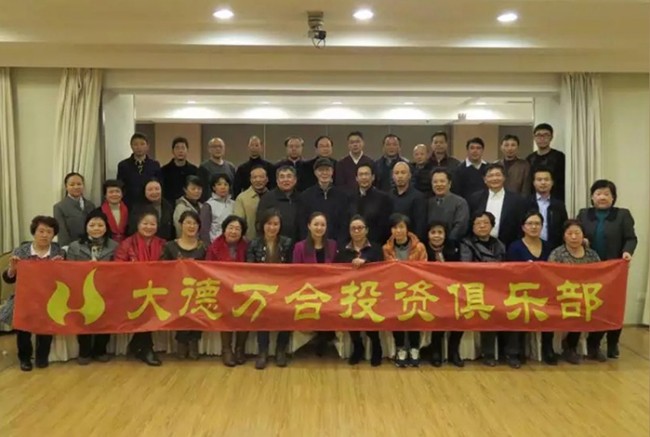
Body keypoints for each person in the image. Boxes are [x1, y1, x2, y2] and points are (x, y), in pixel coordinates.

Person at [577, 180, 637, 359]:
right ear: (592, 197)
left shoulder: (622, 215)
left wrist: (627, 252)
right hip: (591, 269)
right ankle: (594, 344)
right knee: (594, 305)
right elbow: (575, 233)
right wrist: (582, 240)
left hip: (614, 270)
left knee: (613, 306)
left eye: (606, 194)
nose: (602, 197)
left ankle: (613, 342)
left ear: (613, 197)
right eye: (598, 194)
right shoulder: (584, 214)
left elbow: (631, 238)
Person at [2, 216, 65, 371]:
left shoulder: (59, 252)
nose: (44, 235)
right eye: (41, 231)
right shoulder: (21, 251)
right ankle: (24, 358)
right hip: (26, 296)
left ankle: (42, 356)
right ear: (34, 232)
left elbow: (65, 279)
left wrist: (60, 268)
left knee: (46, 326)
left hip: (49, 296)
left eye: (49, 232)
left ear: (54, 234)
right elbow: (9, 279)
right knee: (23, 327)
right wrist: (12, 269)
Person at [459, 211, 518, 368]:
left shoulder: (499, 244)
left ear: (492, 226)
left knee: (513, 311)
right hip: (477, 288)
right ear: (472, 227)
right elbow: (466, 268)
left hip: (500, 287)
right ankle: (489, 353)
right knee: (489, 311)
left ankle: (511, 353)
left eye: (486, 223)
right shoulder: (466, 243)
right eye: (478, 223)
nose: (482, 226)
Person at [114, 207, 166, 366]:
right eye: (145, 223)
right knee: (144, 307)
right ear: (137, 224)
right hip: (132, 289)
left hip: (158, 288)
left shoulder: (163, 244)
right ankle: (147, 348)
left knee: (152, 305)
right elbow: (118, 267)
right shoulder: (127, 244)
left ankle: (138, 344)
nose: (149, 227)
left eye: (152, 224)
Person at [66, 209, 118, 365]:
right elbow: (68, 269)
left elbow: (119, 268)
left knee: (105, 319)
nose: (96, 228)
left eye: (100, 225)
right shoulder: (75, 246)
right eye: (92, 225)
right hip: (82, 289)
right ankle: (84, 351)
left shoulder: (115, 246)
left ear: (106, 227)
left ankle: (100, 350)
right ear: (86, 227)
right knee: (84, 319)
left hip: (107, 289)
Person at [548, 220, 602, 364]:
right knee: (578, 309)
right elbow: (550, 277)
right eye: (570, 233)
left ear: (583, 235)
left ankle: (594, 345)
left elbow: (601, 275)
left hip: (588, 294)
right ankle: (570, 346)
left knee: (604, 309)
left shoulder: (592, 255)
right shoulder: (557, 254)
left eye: (577, 233)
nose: (573, 237)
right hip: (564, 296)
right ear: (564, 236)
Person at [506, 211, 556, 365]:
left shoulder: (548, 246)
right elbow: (509, 272)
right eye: (530, 224)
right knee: (518, 312)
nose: (534, 227)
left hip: (544, 291)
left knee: (551, 310)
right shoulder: (515, 247)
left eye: (537, 224)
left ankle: (548, 349)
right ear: (523, 227)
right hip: (521, 292)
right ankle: (515, 352)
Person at [246, 208, 293, 369]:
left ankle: (281, 350)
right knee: (262, 314)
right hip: (261, 287)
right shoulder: (254, 243)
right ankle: (263, 351)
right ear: (262, 225)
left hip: (284, 287)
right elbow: (249, 268)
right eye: (269, 224)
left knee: (287, 315)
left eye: (275, 224)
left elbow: (293, 268)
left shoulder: (287, 243)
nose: (272, 227)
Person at [335, 215, 384, 366]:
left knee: (370, 318)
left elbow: (382, 268)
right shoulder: (343, 249)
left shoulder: (376, 248)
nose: (356, 231)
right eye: (353, 228)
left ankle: (377, 347)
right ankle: (358, 347)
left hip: (371, 291)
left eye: (360, 228)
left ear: (366, 230)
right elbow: (336, 269)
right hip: (351, 291)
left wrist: (366, 262)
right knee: (351, 317)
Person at [160, 210, 207, 360]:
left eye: (195, 223)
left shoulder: (204, 247)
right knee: (180, 312)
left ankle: (193, 343)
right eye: (188, 223)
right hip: (176, 289)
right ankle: (181, 343)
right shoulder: (170, 246)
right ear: (181, 225)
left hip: (198, 289)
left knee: (197, 313)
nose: (191, 226)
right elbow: (162, 268)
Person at [382, 213, 427, 367]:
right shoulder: (386, 248)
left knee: (414, 317)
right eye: (395, 228)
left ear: (407, 229)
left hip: (415, 288)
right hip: (395, 289)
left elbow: (425, 267)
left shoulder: (419, 247)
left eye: (401, 227)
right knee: (397, 318)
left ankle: (414, 349)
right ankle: (400, 348)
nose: (398, 231)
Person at [292, 212, 338, 355]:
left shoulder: (332, 245)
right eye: (316, 224)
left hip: (329, 289)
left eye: (322, 225)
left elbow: (338, 270)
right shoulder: (299, 247)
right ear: (309, 226)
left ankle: (324, 337)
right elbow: (295, 272)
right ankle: (322, 336)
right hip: (307, 290)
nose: (319, 228)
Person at [206, 215, 249, 366]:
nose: (233, 231)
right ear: (224, 230)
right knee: (226, 314)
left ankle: (240, 348)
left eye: (238, 229)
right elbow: (208, 269)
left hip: (243, 288)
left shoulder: (247, 246)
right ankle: (226, 350)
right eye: (231, 228)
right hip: (222, 289)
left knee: (246, 313)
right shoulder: (214, 247)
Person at [425, 221, 464, 368]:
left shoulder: (454, 247)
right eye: (433, 232)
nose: (437, 236)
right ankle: (436, 351)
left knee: (459, 315)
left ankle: (454, 351)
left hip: (454, 289)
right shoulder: (423, 249)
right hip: (431, 291)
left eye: (440, 232)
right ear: (428, 235)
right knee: (438, 316)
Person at [467, 163, 526, 249]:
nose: (494, 178)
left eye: (498, 175)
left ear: (504, 177)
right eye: (490, 176)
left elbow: (520, 225)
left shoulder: (516, 200)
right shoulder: (475, 198)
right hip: (479, 247)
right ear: (484, 179)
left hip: (508, 246)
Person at [298, 158, 350, 243]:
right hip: (312, 244)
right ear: (315, 173)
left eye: (327, 170)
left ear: (332, 172)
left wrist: (340, 244)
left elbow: (345, 224)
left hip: (336, 245)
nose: (324, 173)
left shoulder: (342, 196)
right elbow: (303, 224)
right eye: (321, 170)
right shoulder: (306, 196)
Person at [350, 164, 394, 245]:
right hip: (353, 246)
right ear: (356, 178)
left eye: (366, 174)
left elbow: (385, 228)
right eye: (361, 174)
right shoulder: (350, 198)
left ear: (373, 177)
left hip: (376, 245)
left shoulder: (383, 198)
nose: (364, 177)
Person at [525, 167, 568, 249]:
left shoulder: (559, 205)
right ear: (534, 183)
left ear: (552, 183)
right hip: (529, 247)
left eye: (546, 179)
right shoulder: (525, 203)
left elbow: (564, 227)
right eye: (539, 180)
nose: (543, 182)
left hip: (554, 248)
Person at [117, 132, 162, 207]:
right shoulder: (123, 165)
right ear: (131, 146)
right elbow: (120, 186)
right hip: (130, 204)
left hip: (150, 204)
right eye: (135, 144)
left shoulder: (154, 165)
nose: (139, 147)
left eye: (142, 144)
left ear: (147, 146)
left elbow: (159, 185)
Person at [256, 166, 300, 241]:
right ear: (277, 181)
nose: (285, 180)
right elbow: (260, 223)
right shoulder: (267, 198)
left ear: (295, 180)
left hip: (297, 243)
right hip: (274, 243)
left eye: (289, 176)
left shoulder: (301, 198)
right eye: (282, 177)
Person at [53, 172, 97, 247]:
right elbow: (62, 232)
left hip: (91, 246)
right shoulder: (59, 207)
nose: (76, 187)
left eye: (79, 184)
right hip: (72, 247)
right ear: (66, 187)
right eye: (72, 184)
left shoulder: (91, 205)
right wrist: (66, 248)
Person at [427, 168, 470, 243]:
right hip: (431, 245)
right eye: (435, 182)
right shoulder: (428, 203)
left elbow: (461, 226)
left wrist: (447, 241)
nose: (439, 184)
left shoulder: (460, 202)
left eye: (442, 181)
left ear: (449, 183)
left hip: (453, 244)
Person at [526, 123, 565, 202]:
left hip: (556, 199)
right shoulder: (529, 159)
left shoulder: (559, 157)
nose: (542, 138)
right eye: (538, 135)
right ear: (534, 138)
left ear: (551, 137)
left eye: (546, 135)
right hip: (534, 200)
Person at [390, 162, 426, 240]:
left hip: (412, 242)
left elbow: (420, 225)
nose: (400, 176)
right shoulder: (388, 196)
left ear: (409, 175)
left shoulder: (418, 197)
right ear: (393, 176)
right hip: (392, 241)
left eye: (403, 172)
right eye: (396, 173)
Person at [234, 166, 269, 241]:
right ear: (250, 180)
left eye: (261, 177)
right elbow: (238, 222)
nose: (258, 180)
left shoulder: (272, 196)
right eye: (254, 177)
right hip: (249, 241)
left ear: (267, 179)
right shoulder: (242, 198)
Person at [160, 136, 199, 204]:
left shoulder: (194, 170)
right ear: (172, 151)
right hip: (170, 206)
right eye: (177, 148)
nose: (180, 151)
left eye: (183, 148)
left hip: (190, 205)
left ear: (187, 150)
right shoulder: (164, 170)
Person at [199, 174, 234, 245]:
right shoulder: (208, 205)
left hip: (232, 243)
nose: (223, 187)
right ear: (214, 187)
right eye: (219, 184)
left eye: (226, 184)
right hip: (215, 244)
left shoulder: (234, 204)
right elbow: (204, 230)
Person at [198, 137, 236, 201]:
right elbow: (202, 190)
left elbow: (233, 188)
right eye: (214, 147)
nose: (218, 149)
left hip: (228, 203)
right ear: (209, 149)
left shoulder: (230, 167)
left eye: (220, 146)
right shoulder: (204, 167)